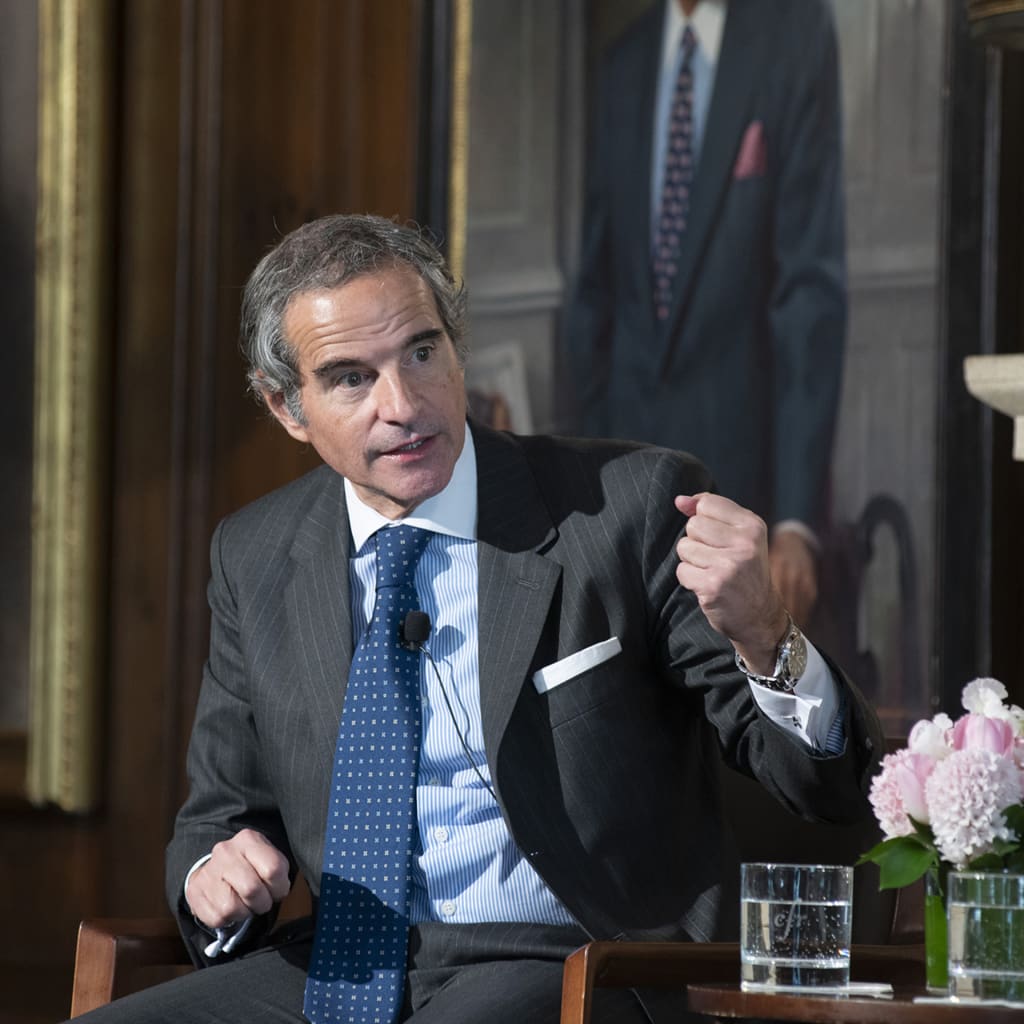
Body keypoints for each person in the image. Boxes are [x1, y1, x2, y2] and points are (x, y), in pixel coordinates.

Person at [74, 214, 881, 1024]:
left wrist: (764, 633)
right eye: (352, 378)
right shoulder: (254, 555)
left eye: (422, 353)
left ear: (458, 352)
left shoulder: (623, 511)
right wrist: (216, 879)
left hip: (575, 960)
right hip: (341, 960)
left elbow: (831, 788)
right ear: (287, 406)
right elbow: (221, 814)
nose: (403, 404)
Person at [562, 0, 847, 627]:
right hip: (620, 486)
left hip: (744, 485)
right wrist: (572, 485)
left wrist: (796, 520)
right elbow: (595, 293)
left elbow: (808, 294)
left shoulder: (792, 37)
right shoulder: (622, 63)